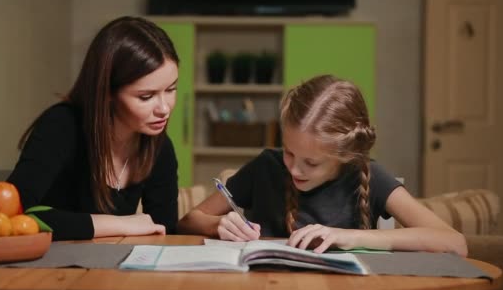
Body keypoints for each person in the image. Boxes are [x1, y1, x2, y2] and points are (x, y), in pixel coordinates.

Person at [178, 75, 468, 256]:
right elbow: (189, 221)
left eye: (312, 163)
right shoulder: (265, 167)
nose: (294, 169)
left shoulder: (366, 174)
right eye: (289, 153)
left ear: (345, 156)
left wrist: (349, 237)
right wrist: (220, 225)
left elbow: (454, 243)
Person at [8, 16, 180, 241]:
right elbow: (13, 212)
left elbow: (164, 230)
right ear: (107, 91)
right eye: (146, 96)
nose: (164, 108)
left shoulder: (158, 145)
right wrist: (119, 224)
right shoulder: (62, 124)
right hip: (46, 270)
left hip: (110, 270)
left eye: (171, 89)